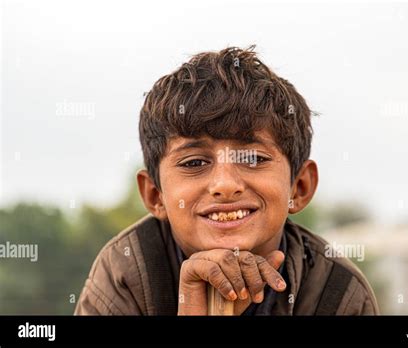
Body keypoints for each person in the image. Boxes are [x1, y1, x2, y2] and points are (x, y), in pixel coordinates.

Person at [75, 46, 379, 315]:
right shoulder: (126, 275)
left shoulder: (335, 292)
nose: (224, 184)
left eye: (254, 159)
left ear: (299, 187)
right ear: (156, 195)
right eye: (194, 163)